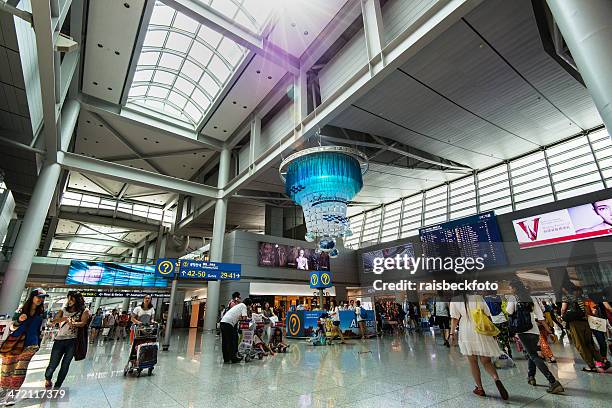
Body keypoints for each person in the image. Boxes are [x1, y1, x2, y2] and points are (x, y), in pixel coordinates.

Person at [507, 279, 564, 394]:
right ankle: (531, 377)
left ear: (515, 288)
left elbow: (509, 311)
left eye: (510, 288)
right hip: (534, 331)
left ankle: (553, 382)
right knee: (531, 354)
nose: (510, 290)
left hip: (523, 331)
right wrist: (548, 330)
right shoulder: (531, 298)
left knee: (533, 356)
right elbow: (540, 317)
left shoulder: (513, 298)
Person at [450, 295, 508, 400]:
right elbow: (487, 314)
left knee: (472, 362)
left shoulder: (455, 299)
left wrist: (451, 334)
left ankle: (480, 388)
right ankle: (496, 378)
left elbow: (454, 318)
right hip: (481, 328)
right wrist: (492, 331)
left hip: (466, 330)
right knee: (486, 361)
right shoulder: (477, 297)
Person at [0, 289, 48, 405]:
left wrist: (39, 342)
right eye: (39, 297)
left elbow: (41, 329)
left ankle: (12, 396)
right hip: (15, 343)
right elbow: (11, 327)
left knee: (20, 370)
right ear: (32, 297)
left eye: (42, 297)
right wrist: (19, 321)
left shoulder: (42, 313)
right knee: (7, 368)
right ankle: (3, 393)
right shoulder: (21, 310)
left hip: (31, 344)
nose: (40, 300)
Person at [44, 291, 90, 390]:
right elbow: (54, 321)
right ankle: (48, 378)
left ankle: (58, 385)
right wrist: (64, 319)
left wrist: (73, 323)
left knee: (65, 365)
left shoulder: (84, 310)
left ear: (77, 300)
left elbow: (83, 323)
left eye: (72, 299)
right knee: (53, 364)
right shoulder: (63, 310)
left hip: (73, 341)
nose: (69, 301)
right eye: (68, 298)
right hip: (59, 340)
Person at [561, 286, 609, 372]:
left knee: (581, 345)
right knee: (590, 343)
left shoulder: (567, 297)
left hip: (575, 324)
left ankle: (591, 366)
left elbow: (563, 309)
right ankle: (603, 361)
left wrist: (562, 316)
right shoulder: (584, 299)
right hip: (586, 322)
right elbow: (593, 311)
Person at [220, 298, 252, 363]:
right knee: (232, 341)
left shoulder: (239, 305)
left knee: (225, 342)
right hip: (229, 324)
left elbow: (239, 317)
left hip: (223, 322)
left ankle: (226, 358)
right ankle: (233, 358)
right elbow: (244, 318)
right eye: (250, 306)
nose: (250, 307)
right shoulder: (244, 306)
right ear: (248, 305)